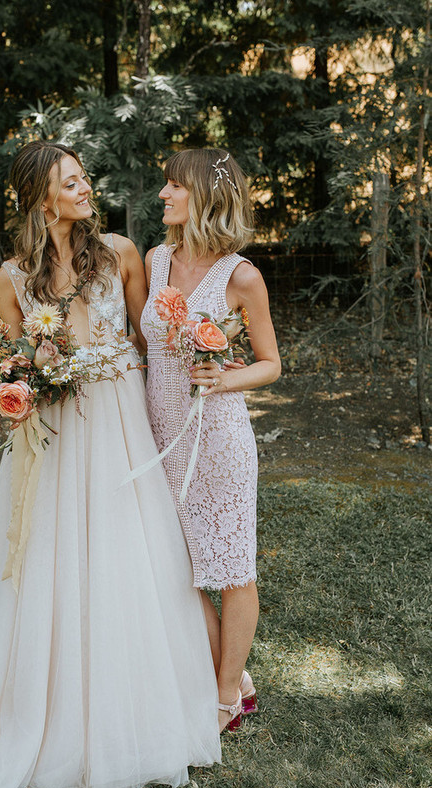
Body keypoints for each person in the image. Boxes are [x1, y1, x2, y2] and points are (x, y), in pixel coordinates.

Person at [0, 141, 220, 788]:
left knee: (128, 550)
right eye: (70, 181)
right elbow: (16, 362)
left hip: (120, 425)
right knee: (55, 554)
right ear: (44, 198)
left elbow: (146, 338)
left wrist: (199, 361)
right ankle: (44, 698)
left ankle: (144, 690)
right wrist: (20, 380)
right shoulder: (13, 276)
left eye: (82, 177)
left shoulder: (122, 254)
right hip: (57, 434)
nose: (84, 187)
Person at [141, 148, 281, 733]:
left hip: (218, 438)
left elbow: (271, 364)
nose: (163, 195)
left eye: (174, 187)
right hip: (159, 432)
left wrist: (224, 376)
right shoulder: (154, 260)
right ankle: (233, 678)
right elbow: (143, 342)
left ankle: (224, 696)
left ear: (204, 197)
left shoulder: (241, 275)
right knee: (174, 561)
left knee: (229, 568)